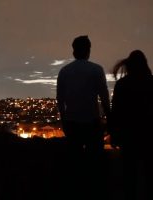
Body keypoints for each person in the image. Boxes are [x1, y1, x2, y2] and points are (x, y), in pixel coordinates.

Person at [56, 35, 110, 199]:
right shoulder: (96, 70)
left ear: (73, 51)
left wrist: (64, 120)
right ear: (88, 50)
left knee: (75, 165)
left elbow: (60, 99)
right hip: (92, 123)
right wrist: (109, 119)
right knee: (95, 166)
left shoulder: (64, 71)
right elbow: (104, 97)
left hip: (72, 123)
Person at [108, 50, 153, 200]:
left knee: (129, 177)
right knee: (151, 177)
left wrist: (114, 135)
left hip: (129, 137)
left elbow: (116, 112)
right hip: (150, 135)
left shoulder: (121, 85)